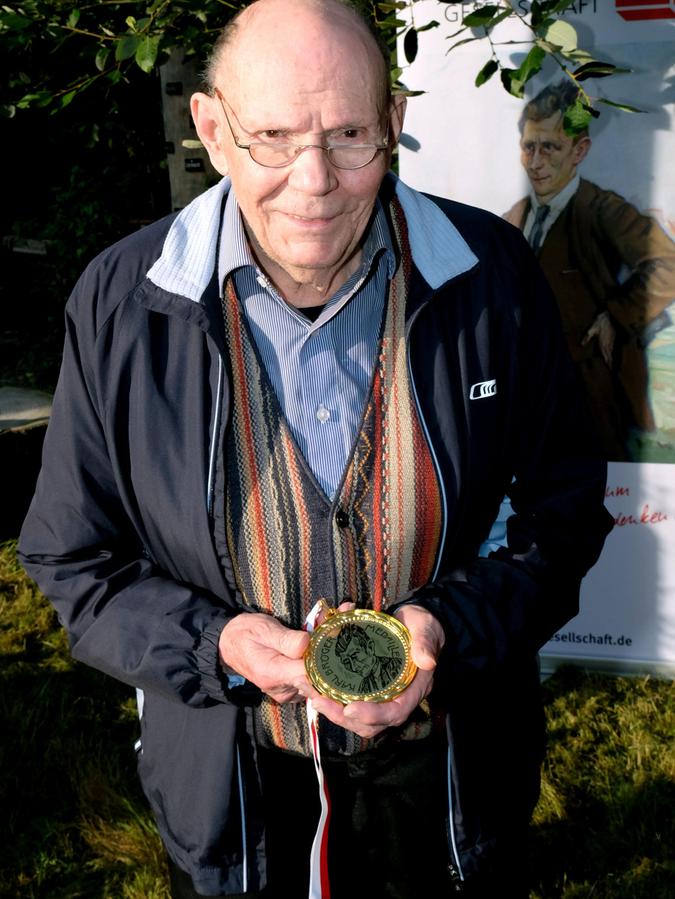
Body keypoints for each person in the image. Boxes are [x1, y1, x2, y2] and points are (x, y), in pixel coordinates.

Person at [18, 2, 613, 897]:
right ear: (212, 131)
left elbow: (561, 509)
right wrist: (216, 642)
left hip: (449, 783)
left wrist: (447, 627)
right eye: (271, 137)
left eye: (348, 135)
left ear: (394, 126)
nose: (314, 180)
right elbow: (74, 557)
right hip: (233, 789)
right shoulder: (121, 306)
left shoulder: (490, 277)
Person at [504, 80, 675, 461]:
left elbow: (669, 265)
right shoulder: (514, 219)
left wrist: (617, 314)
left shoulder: (602, 209)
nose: (536, 162)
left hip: (592, 402)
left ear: (579, 150)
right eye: (529, 147)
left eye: (550, 147)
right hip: (529, 403)